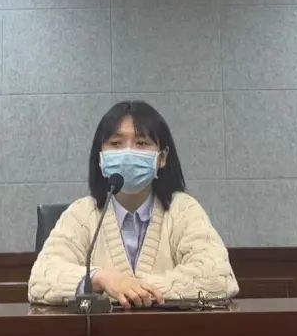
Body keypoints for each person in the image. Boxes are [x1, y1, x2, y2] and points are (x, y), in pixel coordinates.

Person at [28, 100, 239, 307]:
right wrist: (101, 279)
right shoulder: (82, 214)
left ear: (162, 157)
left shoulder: (183, 210)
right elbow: (40, 280)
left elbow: (218, 278)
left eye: (142, 143)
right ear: (101, 157)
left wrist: (131, 289)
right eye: (116, 144)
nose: (128, 153)